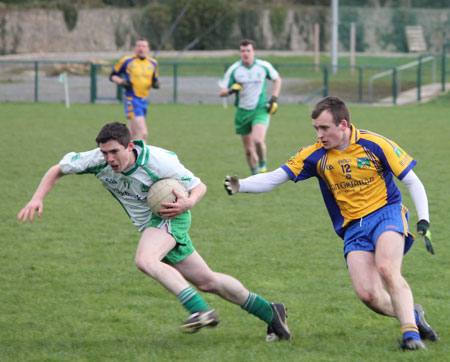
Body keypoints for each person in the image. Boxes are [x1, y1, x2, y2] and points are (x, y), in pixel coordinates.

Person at [17, 122, 291, 342]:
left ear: (130, 146)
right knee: (207, 281)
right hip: (152, 224)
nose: (110, 159)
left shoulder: (158, 161)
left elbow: (199, 186)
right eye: (104, 153)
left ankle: (199, 310)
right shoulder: (95, 160)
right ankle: (271, 313)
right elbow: (58, 169)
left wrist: (188, 202)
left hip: (171, 215)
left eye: (115, 152)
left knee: (145, 260)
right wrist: (37, 198)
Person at [224, 96, 439, 350]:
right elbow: (275, 177)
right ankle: (413, 317)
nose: (319, 134)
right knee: (368, 295)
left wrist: (424, 219)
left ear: (343, 125)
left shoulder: (375, 143)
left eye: (324, 128)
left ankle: (410, 338)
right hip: (353, 228)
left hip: (386, 213)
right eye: (316, 128)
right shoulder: (315, 155)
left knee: (387, 269)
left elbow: (413, 181)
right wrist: (242, 186)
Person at [218, 39, 281, 175]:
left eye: (248, 51)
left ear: (254, 52)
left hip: (260, 109)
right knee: (248, 150)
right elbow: (221, 92)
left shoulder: (263, 66)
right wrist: (231, 90)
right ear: (239, 53)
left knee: (258, 140)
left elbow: (277, 79)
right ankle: (255, 175)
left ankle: (263, 165)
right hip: (242, 112)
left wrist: (274, 99)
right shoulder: (234, 69)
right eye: (242, 51)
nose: (245, 53)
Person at [110, 39, 160, 142]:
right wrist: (122, 82)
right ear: (135, 48)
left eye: (144, 46)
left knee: (131, 134)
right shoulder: (127, 61)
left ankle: (119, 150)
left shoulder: (153, 63)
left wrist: (155, 83)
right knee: (143, 133)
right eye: (139, 46)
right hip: (131, 99)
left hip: (144, 100)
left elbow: (154, 80)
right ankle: (139, 156)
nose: (141, 48)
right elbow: (112, 75)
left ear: (148, 49)